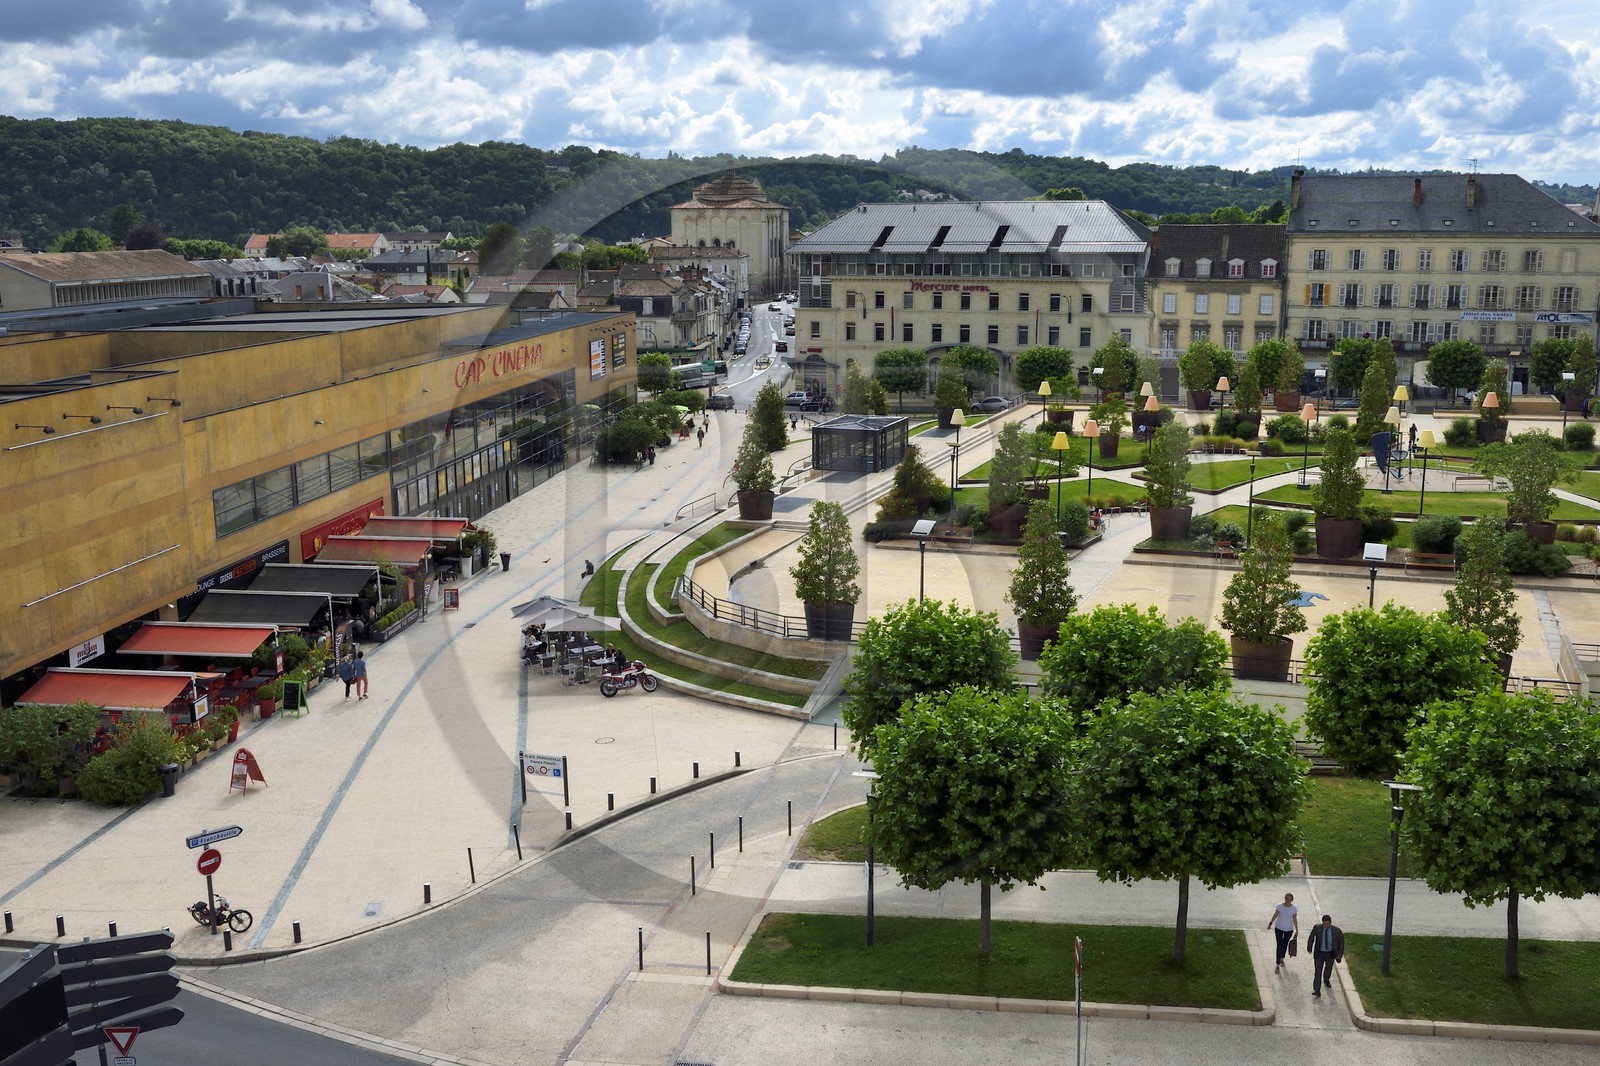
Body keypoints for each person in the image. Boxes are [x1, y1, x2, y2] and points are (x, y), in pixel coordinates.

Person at [1308, 914, 1345, 997]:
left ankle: (1326, 979)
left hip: (1330, 953)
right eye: (1325, 923)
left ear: (1331, 922)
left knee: (1328, 969)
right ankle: (1317, 989)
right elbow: (1311, 937)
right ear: (1322, 923)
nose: (1326, 925)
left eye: (1328, 923)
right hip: (1319, 953)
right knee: (1318, 972)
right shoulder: (1317, 928)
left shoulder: (1336, 930)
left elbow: (1341, 943)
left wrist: (1339, 955)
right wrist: (1309, 946)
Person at [1267, 892, 1299, 973]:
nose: (1288, 900)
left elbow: (1295, 919)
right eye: (1286, 899)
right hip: (1279, 928)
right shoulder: (1280, 906)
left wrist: (1297, 930)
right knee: (1279, 945)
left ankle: (1282, 958)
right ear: (1284, 898)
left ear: (1292, 900)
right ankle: (1277, 964)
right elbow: (1276, 914)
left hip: (1289, 929)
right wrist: (1270, 923)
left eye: (1289, 899)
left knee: (1285, 944)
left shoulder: (1294, 908)